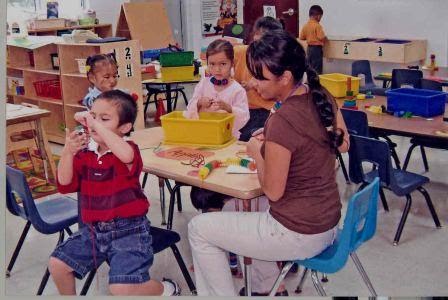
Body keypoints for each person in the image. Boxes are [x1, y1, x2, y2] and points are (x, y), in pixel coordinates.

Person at [188, 30, 349, 296]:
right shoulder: (319, 97)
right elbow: (331, 144)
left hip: (299, 232)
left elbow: (274, 191)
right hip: (327, 221)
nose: (253, 83)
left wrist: (257, 151)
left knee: (199, 229)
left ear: (285, 77)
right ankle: (266, 287)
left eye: (260, 77)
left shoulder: (282, 119)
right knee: (239, 211)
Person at [48, 90, 180, 296]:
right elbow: (64, 185)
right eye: (93, 115)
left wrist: (94, 122)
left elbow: (126, 155)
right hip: (94, 230)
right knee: (58, 264)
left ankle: (167, 289)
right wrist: (68, 151)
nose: (94, 123)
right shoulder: (86, 153)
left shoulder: (128, 149)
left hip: (130, 231)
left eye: (104, 118)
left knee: (121, 288)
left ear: (125, 128)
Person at [184, 39, 249, 140]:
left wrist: (229, 108)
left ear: (232, 63)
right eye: (212, 64)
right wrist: (199, 103)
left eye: (223, 64)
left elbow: (244, 117)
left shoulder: (237, 90)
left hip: (227, 137)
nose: (217, 69)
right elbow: (188, 110)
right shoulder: (203, 84)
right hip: (202, 134)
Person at [235, 16, 284, 142]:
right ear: (254, 36)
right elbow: (217, 58)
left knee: (257, 137)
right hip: (242, 109)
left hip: (268, 111)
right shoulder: (240, 52)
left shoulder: (277, 58)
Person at [299, 5, 327, 74]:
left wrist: (309, 37)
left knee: (310, 66)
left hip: (309, 49)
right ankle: (316, 83)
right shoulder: (317, 26)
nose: (320, 19)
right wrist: (325, 39)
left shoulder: (306, 25)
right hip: (316, 49)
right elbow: (321, 37)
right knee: (317, 68)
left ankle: (309, 82)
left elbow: (301, 37)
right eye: (321, 17)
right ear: (318, 16)